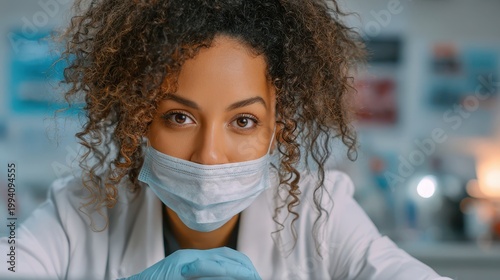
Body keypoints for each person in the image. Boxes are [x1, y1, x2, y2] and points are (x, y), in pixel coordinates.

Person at [1, 0, 452, 279]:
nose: (209, 156)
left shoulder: (321, 211)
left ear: (279, 124)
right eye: (179, 116)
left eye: (243, 121)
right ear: (139, 119)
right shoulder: (79, 208)